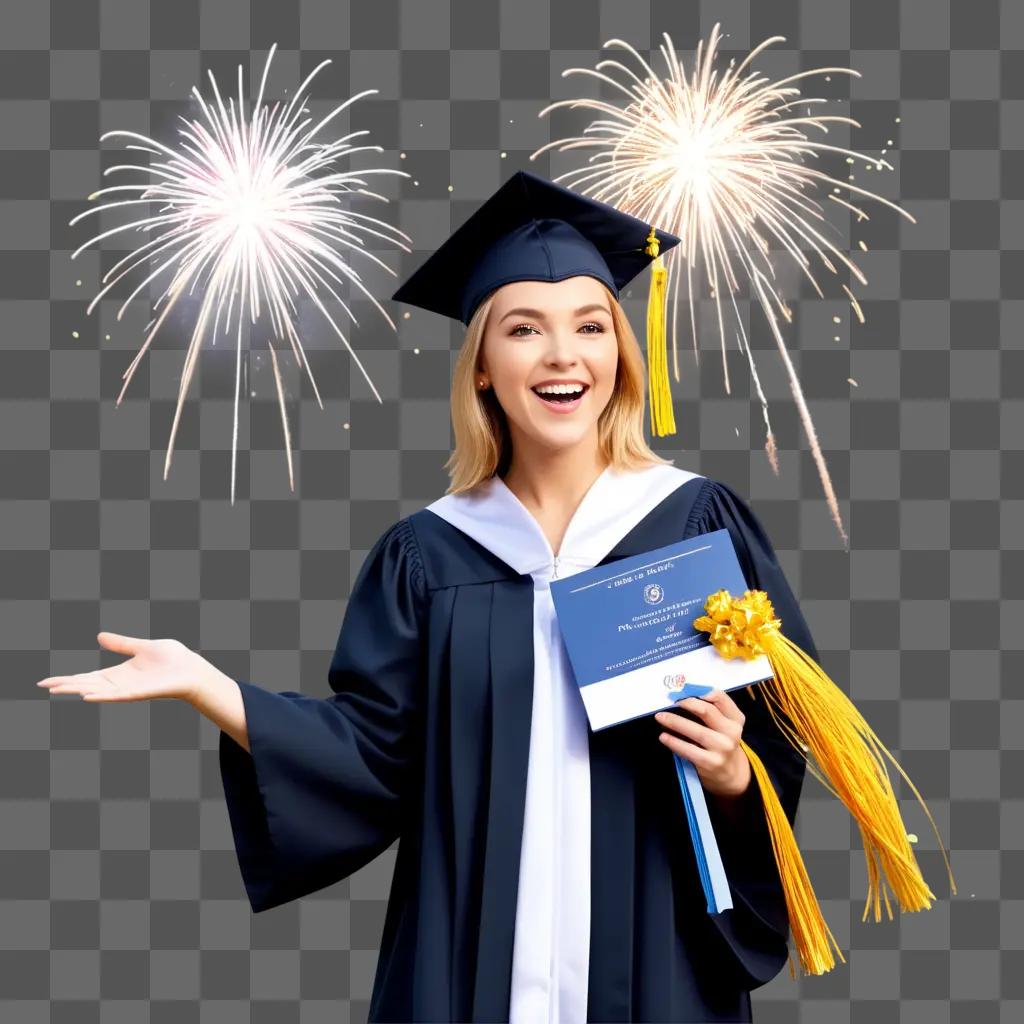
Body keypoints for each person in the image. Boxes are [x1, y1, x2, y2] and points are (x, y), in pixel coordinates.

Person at [36, 170, 819, 1023]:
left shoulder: (692, 523)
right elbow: (375, 756)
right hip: (468, 967)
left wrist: (736, 775)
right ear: (483, 366)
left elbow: (785, 738)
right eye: (525, 329)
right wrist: (207, 686)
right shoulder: (428, 555)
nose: (564, 355)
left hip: (656, 959)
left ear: (621, 356)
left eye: (590, 327)